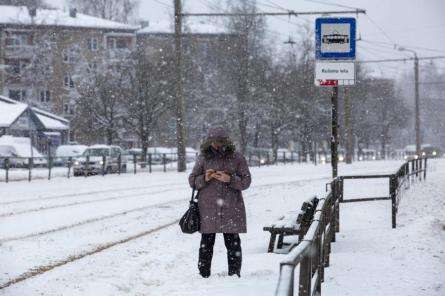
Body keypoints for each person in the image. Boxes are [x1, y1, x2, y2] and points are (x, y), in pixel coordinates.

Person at [188, 126, 251, 278]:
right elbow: (192, 181)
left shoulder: (237, 157)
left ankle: (234, 274)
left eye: (220, 142)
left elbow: (246, 181)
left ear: (226, 142)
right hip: (208, 208)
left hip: (231, 207)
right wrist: (205, 178)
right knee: (206, 244)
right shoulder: (203, 158)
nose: (216, 145)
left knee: (233, 243)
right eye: (214, 142)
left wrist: (229, 179)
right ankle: (203, 274)